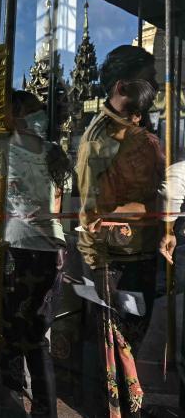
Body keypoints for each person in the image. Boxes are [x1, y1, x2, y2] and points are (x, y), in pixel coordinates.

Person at [76, 45, 160, 417]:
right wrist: (154, 209)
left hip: (138, 255)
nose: (156, 86)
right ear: (123, 86)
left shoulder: (135, 129)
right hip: (117, 261)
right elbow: (96, 213)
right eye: (149, 79)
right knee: (117, 352)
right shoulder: (101, 139)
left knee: (128, 349)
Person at [0, 91, 70, 417]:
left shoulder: (3, 151)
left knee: (12, 335)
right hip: (50, 250)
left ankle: (11, 403)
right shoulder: (54, 152)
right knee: (37, 337)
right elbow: (55, 208)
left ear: (14, 114)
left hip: (18, 249)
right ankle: (44, 410)